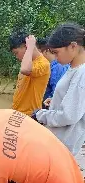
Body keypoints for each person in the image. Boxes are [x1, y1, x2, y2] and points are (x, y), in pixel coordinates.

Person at [34, 23, 85, 165]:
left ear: (73, 47)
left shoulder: (81, 75)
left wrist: (40, 115)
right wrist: (56, 100)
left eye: (56, 52)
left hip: (62, 145)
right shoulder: (73, 69)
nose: (55, 57)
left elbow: (69, 115)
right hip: (57, 140)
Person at [9, 32, 50, 115]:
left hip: (29, 115)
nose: (16, 57)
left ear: (26, 46)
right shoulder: (28, 62)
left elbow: (25, 69)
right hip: (17, 113)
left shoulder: (43, 64)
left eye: (16, 53)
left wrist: (30, 47)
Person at [37, 38, 70, 108]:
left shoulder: (57, 67)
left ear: (46, 51)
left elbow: (56, 91)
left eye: (38, 53)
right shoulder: (53, 66)